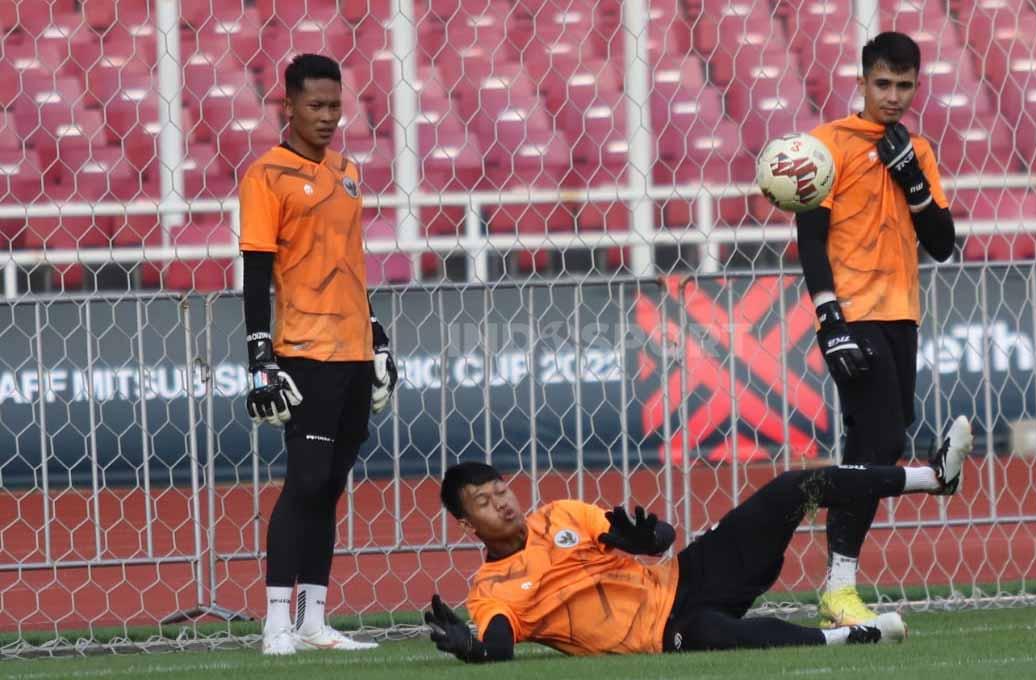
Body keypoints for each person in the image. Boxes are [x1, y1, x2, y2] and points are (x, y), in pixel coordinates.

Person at [421, 417, 972, 662]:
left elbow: (657, 536)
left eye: (500, 489)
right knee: (715, 633)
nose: (503, 503)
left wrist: (643, 536)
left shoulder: (558, 514)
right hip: (665, 633)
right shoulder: (491, 588)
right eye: (485, 502)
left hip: (686, 576)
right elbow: (498, 646)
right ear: (467, 525)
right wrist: (469, 647)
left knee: (790, 488)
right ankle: (856, 638)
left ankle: (932, 477)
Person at [794, 32, 957, 627]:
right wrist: (828, 316)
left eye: (904, 86)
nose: (893, 96)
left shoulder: (918, 148)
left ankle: (827, 520)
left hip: (901, 314)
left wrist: (913, 178)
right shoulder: (825, 146)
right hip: (851, 314)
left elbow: (941, 244)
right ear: (861, 82)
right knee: (880, 437)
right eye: (882, 84)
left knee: (877, 444)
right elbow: (810, 238)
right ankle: (840, 584)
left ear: (917, 85)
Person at [239, 53, 398, 655]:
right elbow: (256, 271)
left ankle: (313, 620)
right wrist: (260, 354)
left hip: (354, 350)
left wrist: (378, 337)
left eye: (336, 105)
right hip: (304, 349)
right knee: (303, 482)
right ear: (288, 107)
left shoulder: (348, 170)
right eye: (317, 106)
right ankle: (276, 620)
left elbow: (352, 264)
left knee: (330, 485)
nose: (329, 116)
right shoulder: (267, 176)